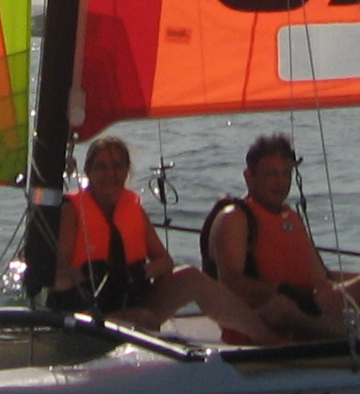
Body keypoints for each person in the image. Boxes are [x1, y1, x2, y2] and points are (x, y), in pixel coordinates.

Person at [204, 132, 360, 340]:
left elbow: (324, 280)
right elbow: (230, 284)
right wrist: (282, 290)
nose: (280, 182)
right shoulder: (235, 217)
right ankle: (356, 340)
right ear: (250, 176)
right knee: (285, 307)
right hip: (261, 321)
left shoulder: (290, 217)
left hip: (305, 308)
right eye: (271, 174)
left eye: (285, 173)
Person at [52, 135, 284, 345]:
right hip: (84, 317)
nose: (111, 174)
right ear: (88, 172)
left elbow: (165, 261)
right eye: (101, 167)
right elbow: (56, 277)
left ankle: (268, 339)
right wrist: (92, 272)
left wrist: (143, 271)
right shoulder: (72, 212)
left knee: (190, 276)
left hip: (130, 301)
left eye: (118, 166)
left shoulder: (131, 209)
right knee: (144, 318)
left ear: (127, 171)